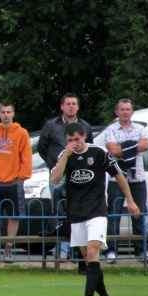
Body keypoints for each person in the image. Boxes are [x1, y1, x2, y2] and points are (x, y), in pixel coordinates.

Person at [50, 122, 139, 296]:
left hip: (97, 210)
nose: (74, 143)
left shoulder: (98, 153)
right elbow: (55, 179)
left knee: (92, 251)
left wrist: (130, 201)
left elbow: (119, 175)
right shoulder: (65, 155)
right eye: (70, 140)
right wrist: (65, 155)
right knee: (88, 258)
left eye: (77, 139)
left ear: (84, 136)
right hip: (76, 212)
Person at [37, 93, 93, 265]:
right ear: (62, 106)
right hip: (59, 175)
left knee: (78, 210)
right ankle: (60, 250)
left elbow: (89, 148)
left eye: (74, 104)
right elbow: (42, 148)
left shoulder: (85, 126)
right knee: (58, 211)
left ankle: (76, 251)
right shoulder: (51, 125)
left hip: (79, 175)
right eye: (67, 103)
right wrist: (54, 165)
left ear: (77, 106)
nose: (71, 106)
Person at [0, 102, 32, 261]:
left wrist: (21, 178)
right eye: (3, 112)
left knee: (13, 217)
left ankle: (9, 249)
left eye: (8, 112)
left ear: (13, 113)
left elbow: (26, 157)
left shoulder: (22, 133)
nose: (5, 115)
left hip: (13, 182)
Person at [104, 99, 148, 264]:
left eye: (128, 109)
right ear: (117, 112)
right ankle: (111, 251)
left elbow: (146, 145)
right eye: (122, 109)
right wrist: (133, 145)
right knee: (114, 214)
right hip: (116, 177)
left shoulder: (140, 128)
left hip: (137, 177)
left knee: (139, 214)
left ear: (132, 112)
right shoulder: (110, 130)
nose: (125, 112)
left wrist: (123, 146)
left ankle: (141, 251)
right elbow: (113, 150)